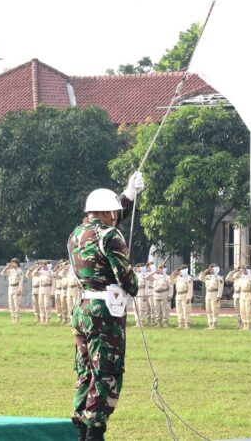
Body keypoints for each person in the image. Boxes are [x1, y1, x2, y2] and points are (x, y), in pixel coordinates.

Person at [68, 170, 144, 441]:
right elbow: (126, 278)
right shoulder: (110, 235)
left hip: (83, 308)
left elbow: (109, 220)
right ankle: (95, 432)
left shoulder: (77, 234)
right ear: (106, 212)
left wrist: (129, 195)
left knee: (85, 370)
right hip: (104, 314)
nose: (116, 217)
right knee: (106, 371)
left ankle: (81, 428)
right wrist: (136, 282)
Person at [199, 264, 224, 330]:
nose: (210, 270)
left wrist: (219, 296)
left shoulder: (219, 278)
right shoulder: (208, 277)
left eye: (212, 269)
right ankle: (210, 324)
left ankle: (214, 324)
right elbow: (200, 278)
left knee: (214, 309)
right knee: (208, 309)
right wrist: (204, 272)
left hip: (214, 293)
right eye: (210, 269)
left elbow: (220, 288)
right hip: (208, 294)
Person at [2, 258, 24, 323]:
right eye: (12, 263)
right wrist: (6, 267)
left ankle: (17, 318)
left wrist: (19, 290)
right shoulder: (10, 270)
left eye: (14, 263)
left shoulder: (20, 271)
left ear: (17, 263)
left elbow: (21, 281)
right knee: (11, 304)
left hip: (16, 287)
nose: (12, 264)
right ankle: (12, 318)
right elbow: (2, 273)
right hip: (10, 288)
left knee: (16, 304)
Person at [171, 264, 193, 329]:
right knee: (179, 310)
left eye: (180, 270)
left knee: (186, 311)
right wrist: (173, 275)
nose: (179, 272)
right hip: (178, 295)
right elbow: (171, 282)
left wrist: (189, 298)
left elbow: (190, 289)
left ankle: (187, 324)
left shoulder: (188, 278)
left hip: (185, 295)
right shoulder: (178, 278)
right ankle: (181, 324)